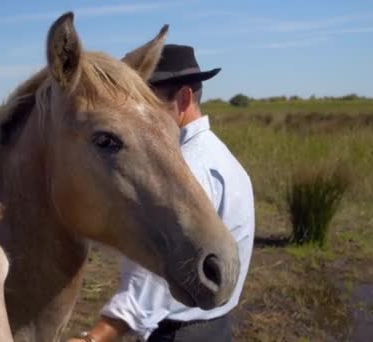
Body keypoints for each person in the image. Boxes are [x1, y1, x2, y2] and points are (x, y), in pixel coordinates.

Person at [70, 44, 255, 342]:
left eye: (148, 102)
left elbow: (152, 281)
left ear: (183, 99)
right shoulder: (222, 156)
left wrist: (95, 337)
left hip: (177, 333)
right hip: (217, 327)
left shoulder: (185, 169)